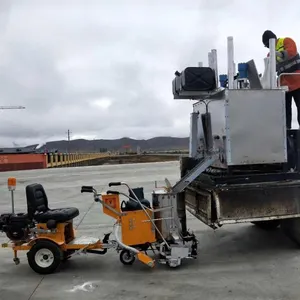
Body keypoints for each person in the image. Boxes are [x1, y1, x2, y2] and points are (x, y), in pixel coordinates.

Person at [262, 30, 300, 129]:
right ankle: (286, 133)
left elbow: (291, 52)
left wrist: (279, 54)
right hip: (284, 85)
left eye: (267, 44)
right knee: (285, 111)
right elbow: (270, 70)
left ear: (273, 39)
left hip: (297, 82)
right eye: (266, 46)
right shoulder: (270, 55)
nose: (268, 47)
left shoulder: (286, 41)